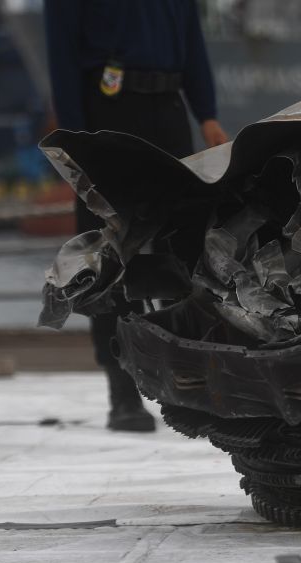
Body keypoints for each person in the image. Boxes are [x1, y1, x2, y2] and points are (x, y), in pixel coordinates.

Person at [45, 0, 229, 431]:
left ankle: (192, 380)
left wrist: (207, 113)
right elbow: (62, 57)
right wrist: (74, 139)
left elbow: (191, 42)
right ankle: (123, 392)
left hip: (169, 111)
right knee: (108, 256)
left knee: (187, 250)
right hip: (107, 115)